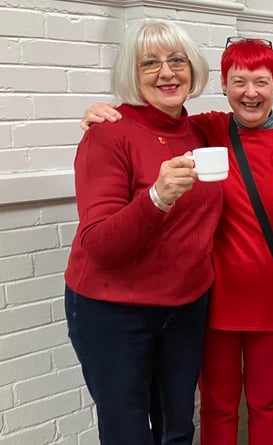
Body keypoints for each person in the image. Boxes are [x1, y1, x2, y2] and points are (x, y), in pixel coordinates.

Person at [82, 37, 273, 445]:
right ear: (224, 86)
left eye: (261, 81)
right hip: (215, 298)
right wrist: (103, 113)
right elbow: (155, 120)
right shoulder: (206, 128)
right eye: (239, 81)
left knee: (267, 402)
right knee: (218, 405)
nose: (251, 92)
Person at [64, 20, 223, 445]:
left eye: (176, 60)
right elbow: (98, 245)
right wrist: (156, 198)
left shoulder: (202, 130)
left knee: (177, 429)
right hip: (113, 310)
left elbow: (256, 116)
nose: (167, 72)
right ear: (130, 75)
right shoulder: (108, 134)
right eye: (149, 63)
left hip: (185, 305)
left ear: (193, 68)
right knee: (128, 433)